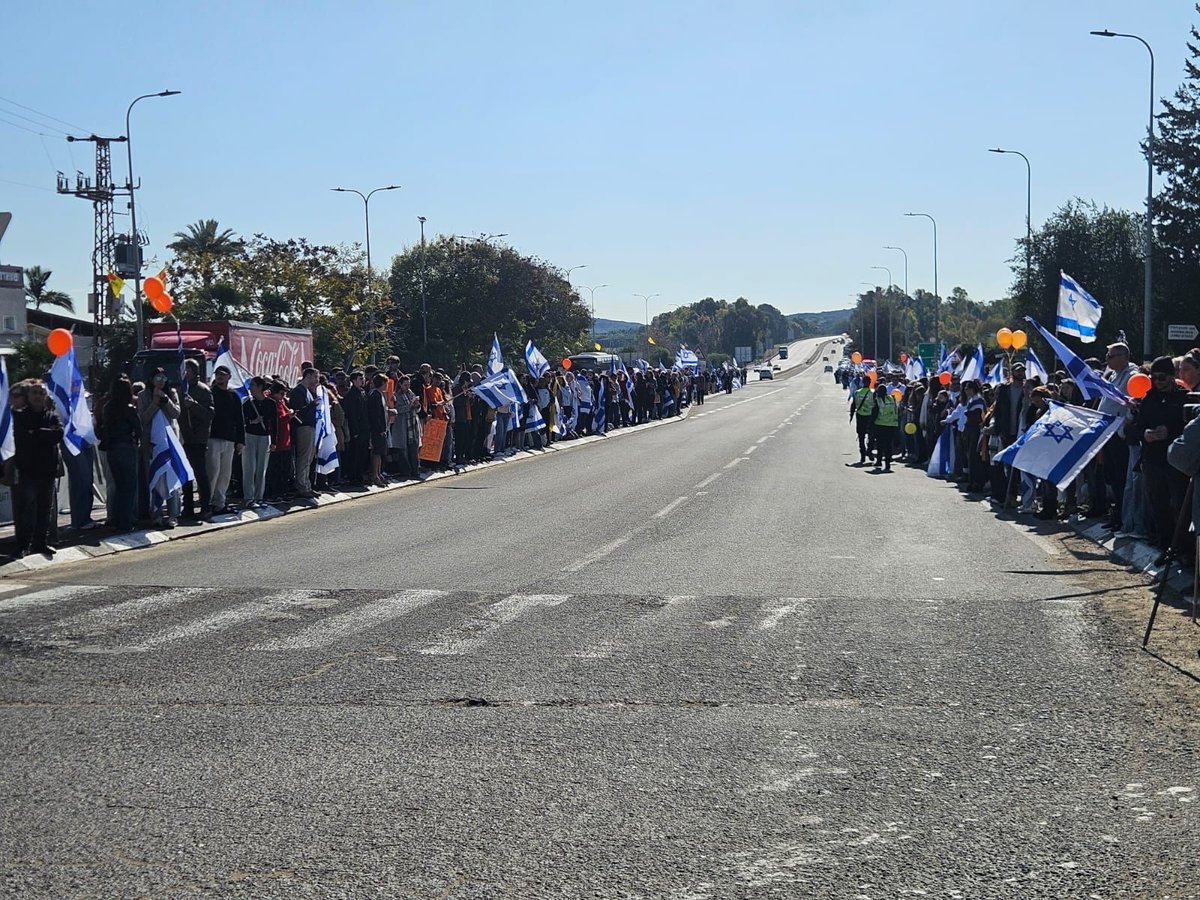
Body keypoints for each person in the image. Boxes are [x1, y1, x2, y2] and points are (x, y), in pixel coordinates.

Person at [1127, 356, 1189, 561]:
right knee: (1158, 504)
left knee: (1179, 506)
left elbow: (1190, 429)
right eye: (1154, 378)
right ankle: (1166, 546)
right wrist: (1145, 433)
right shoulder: (1148, 400)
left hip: (1176, 462)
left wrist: (1170, 432)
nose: (1158, 383)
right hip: (1152, 459)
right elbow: (1132, 431)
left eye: (1162, 378)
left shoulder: (1185, 399)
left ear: (1172, 377)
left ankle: (1183, 548)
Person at [11, 380, 63, 557]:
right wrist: (41, 435)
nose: (38, 396)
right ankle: (22, 545)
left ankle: (40, 543)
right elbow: (22, 439)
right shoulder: (19, 416)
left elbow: (58, 434)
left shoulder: (51, 416)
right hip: (28, 471)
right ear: (28, 396)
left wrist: (37, 433)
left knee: (44, 510)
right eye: (34, 392)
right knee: (25, 510)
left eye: (41, 393)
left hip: (47, 471)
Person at [138, 367, 182, 529]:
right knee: (155, 479)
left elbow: (176, 413)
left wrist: (165, 400)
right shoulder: (143, 395)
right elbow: (143, 418)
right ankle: (156, 514)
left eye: (164, 377)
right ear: (151, 379)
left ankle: (173, 515)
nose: (161, 380)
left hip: (170, 443)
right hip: (152, 444)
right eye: (158, 377)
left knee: (171, 478)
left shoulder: (171, 393)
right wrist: (155, 403)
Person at [98, 378, 141, 532]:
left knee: (118, 485)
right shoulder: (128, 408)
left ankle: (116, 519)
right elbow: (138, 426)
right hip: (126, 447)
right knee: (129, 487)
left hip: (112, 448)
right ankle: (126, 522)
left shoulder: (108, 407)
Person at [207, 365, 245, 516]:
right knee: (212, 472)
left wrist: (240, 441)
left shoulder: (234, 395)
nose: (220, 377)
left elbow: (239, 419)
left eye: (223, 374)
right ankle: (207, 503)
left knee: (225, 474)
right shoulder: (210, 393)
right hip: (212, 438)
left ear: (229, 377)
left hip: (229, 439)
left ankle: (219, 503)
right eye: (217, 374)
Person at [178, 359, 213, 521]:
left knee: (200, 474)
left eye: (188, 370)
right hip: (184, 438)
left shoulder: (203, 390)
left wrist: (194, 406)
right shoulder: (179, 390)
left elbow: (209, 415)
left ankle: (206, 506)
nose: (185, 373)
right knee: (185, 475)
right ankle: (188, 506)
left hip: (198, 439)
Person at [241, 377, 276, 509]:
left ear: (260, 387)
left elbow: (274, 423)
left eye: (253, 385)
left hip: (265, 437)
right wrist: (252, 421)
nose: (250, 388)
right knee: (249, 467)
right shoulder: (247, 403)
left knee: (262, 468)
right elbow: (242, 420)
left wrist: (274, 441)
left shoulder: (270, 403)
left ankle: (259, 497)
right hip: (249, 436)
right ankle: (248, 497)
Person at [288, 368, 320, 498]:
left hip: (311, 426)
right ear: (308, 376)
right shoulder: (298, 391)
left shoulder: (308, 391)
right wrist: (312, 405)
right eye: (315, 377)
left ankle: (307, 484)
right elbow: (298, 411)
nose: (317, 380)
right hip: (303, 427)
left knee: (309, 457)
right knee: (304, 457)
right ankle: (301, 485)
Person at [366, 372, 389, 486]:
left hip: (383, 429)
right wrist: (380, 429)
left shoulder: (380, 394)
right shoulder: (374, 395)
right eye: (386, 383)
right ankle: (374, 475)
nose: (387, 385)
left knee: (381, 452)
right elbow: (375, 415)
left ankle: (379, 473)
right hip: (377, 430)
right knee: (376, 452)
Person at [870, 383, 900, 472]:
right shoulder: (892, 399)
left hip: (880, 425)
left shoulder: (877, 400)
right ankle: (887, 464)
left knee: (880, 445)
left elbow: (874, 414)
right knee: (888, 445)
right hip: (891, 425)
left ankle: (879, 461)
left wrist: (870, 425)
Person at [849, 377, 876, 465]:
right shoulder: (873, 392)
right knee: (871, 436)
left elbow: (853, 405)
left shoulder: (857, 392)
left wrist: (851, 415)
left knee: (861, 437)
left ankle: (863, 455)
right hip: (870, 417)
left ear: (862, 382)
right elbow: (876, 406)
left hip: (860, 417)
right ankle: (869, 450)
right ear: (870, 382)